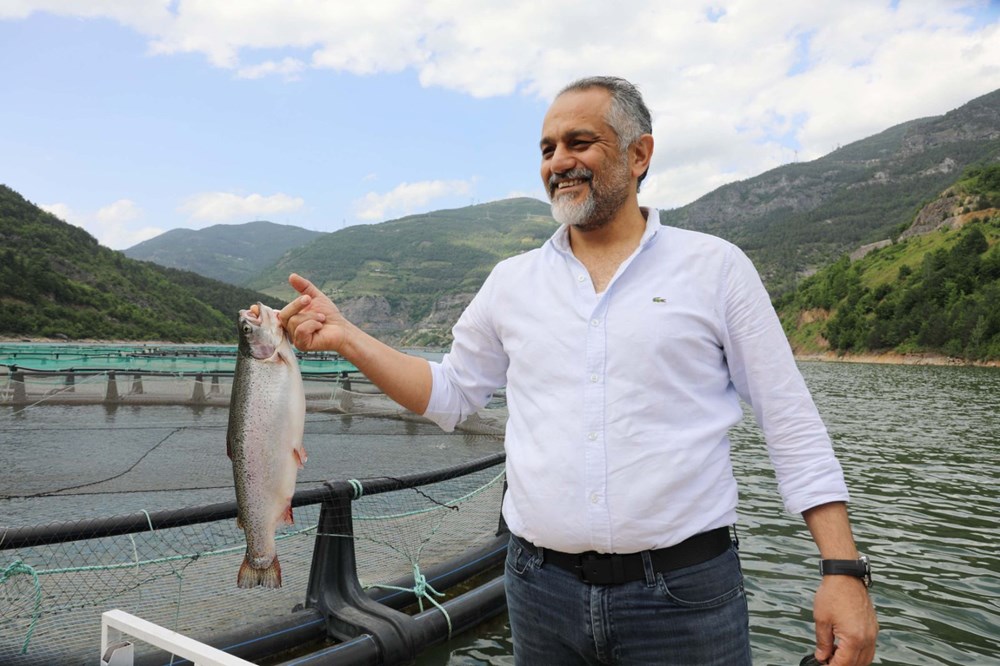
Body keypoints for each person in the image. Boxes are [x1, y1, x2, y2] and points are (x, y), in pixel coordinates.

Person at [275, 76, 878, 665]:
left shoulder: (716, 268)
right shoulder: (511, 283)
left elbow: (790, 421)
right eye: (547, 149)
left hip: (683, 596)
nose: (559, 161)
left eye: (580, 142)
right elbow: (451, 393)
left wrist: (843, 570)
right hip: (539, 590)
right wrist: (348, 338)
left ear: (639, 154)